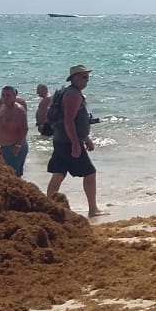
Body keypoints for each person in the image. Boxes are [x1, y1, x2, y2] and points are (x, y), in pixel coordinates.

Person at [46, 64, 104, 217]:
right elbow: (69, 121)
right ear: (74, 78)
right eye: (84, 77)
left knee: (58, 174)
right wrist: (75, 144)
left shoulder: (71, 92)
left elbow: (78, 121)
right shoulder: (73, 95)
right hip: (67, 142)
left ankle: (47, 207)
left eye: (87, 77)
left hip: (61, 140)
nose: (87, 80)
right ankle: (93, 209)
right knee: (90, 173)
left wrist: (86, 138)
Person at [0, 85, 29, 177]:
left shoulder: (19, 110)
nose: (5, 98)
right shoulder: (2, 108)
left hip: (14, 147)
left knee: (14, 175)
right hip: (4, 147)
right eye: (3, 95)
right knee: (5, 174)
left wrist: (17, 146)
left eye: (8, 95)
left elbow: (24, 129)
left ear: (14, 96)